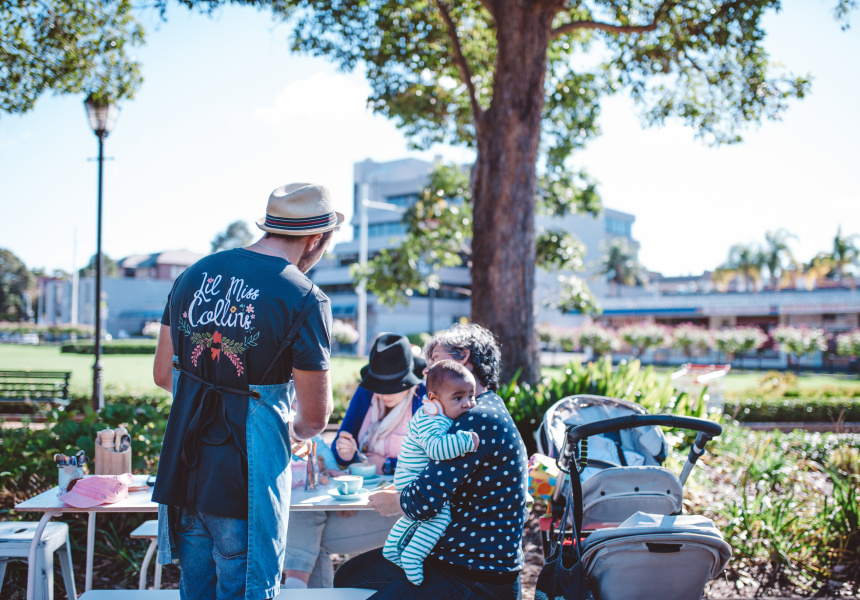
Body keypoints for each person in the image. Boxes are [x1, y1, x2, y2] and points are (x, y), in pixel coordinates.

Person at [151, 182, 341, 600]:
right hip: (244, 482)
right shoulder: (304, 297)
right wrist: (291, 431)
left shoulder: (194, 273)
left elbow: (164, 374)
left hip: (184, 472)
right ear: (315, 239)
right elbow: (314, 418)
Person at [334, 323, 529, 599]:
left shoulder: (477, 417)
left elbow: (423, 503)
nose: (426, 372)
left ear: (462, 357)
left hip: (476, 576)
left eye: (434, 361)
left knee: (352, 579)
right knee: (349, 576)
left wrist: (395, 501)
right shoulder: (478, 408)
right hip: (456, 560)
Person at [282, 333, 427, 589]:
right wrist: (345, 453)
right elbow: (341, 449)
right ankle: (298, 587)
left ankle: (295, 586)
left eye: (394, 385)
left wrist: (387, 464)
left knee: (308, 538)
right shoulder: (366, 393)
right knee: (305, 516)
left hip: (399, 507)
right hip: (358, 499)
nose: (385, 392)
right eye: (380, 384)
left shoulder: (424, 399)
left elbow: (430, 462)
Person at [382, 360, 480, 585]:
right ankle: (413, 557)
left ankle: (392, 548)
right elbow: (436, 448)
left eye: (471, 396)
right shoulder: (431, 418)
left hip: (410, 477)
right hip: (413, 479)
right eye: (458, 398)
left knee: (413, 518)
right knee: (439, 517)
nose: (468, 404)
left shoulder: (434, 412)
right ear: (434, 398)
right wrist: (466, 440)